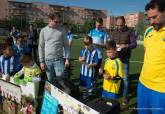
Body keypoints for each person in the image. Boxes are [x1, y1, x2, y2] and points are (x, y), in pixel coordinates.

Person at [138, 0, 165, 114]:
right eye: (149, 18)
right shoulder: (148, 30)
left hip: (160, 90)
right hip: (142, 84)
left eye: (154, 17)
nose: (151, 22)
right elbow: (146, 53)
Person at [111, 16, 137, 105]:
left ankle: (125, 97)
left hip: (125, 58)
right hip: (115, 58)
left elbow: (134, 44)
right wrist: (112, 46)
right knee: (115, 76)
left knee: (125, 78)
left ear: (124, 23)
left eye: (121, 25)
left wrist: (125, 46)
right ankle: (114, 93)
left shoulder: (130, 31)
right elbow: (111, 42)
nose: (119, 27)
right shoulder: (114, 31)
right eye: (117, 25)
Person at [38, 13, 70, 85]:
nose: (58, 23)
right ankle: (51, 95)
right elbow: (41, 47)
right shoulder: (43, 31)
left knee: (61, 81)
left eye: (59, 21)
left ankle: (59, 95)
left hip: (59, 60)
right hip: (47, 61)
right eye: (56, 22)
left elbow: (66, 46)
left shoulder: (62, 30)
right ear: (50, 20)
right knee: (50, 81)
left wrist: (67, 59)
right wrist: (41, 61)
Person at [88, 17, 108, 84]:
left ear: (102, 24)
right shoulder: (91, 31)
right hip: (91, 54)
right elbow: (87, 42)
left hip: (99, 55)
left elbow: (105, 45)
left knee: (96, 69)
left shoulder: (104, 33)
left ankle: (94, 82)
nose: (97, 26)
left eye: (99, 25)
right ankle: (89, 80)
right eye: (96, 25)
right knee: (90, 68)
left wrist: (99, 45)